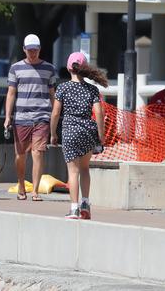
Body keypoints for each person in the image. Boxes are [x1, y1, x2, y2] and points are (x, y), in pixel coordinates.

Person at [50, 52, 107, 219]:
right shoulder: (92, 89)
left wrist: (53, 133)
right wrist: (101, 135)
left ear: (69, 68)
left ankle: (74, 209)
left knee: (73, 172)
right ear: (84, 68)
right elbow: (98, 112)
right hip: (88, 132)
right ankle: (85, 204)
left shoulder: (62, 88)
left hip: (70, 131)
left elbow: (55, 113)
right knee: (84, 169)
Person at [4, 34, 57, 201]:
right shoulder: (15, 68)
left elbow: (53, 95)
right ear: (24, 49)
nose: (32, 53)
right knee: (20, 154)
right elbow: (11, 93)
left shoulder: (50, 69)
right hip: (21, 116)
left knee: (38, 153)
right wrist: (7, 117)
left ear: (40, 49)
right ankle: (21, 184)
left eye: (35, 50)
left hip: (42, 116)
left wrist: (55, 117)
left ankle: (35, 190)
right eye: (29, 50)